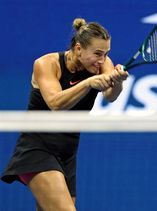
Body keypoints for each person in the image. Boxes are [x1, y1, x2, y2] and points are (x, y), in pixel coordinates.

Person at [1, 18, 128, 211]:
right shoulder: (46, 64)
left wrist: (117, 81)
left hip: (67, 152)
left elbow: (111, 96)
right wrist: (88, 83)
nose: (102, 60)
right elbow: (55, 104)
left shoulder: (102, 64)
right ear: (78, 49)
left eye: (106, 54)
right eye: (97, 54)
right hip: (37, 148)